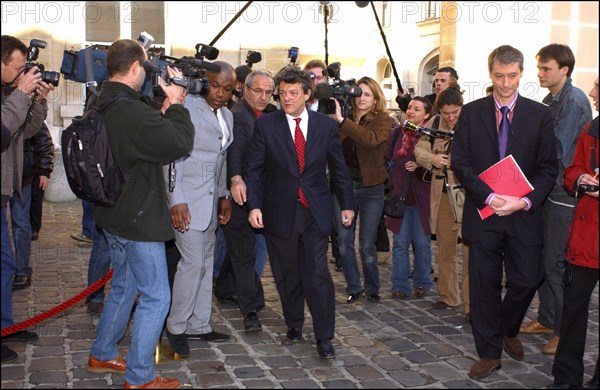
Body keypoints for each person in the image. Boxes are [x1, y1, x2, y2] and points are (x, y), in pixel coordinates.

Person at [87, 39, 194, 389]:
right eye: (146, 67)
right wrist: (177, 103)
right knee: (156, 296)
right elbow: (178, 143)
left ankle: (103, 352)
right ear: (135, 67)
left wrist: (162, 107)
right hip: (137, 218)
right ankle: (140, 375)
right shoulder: (129, 110)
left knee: (124, 284)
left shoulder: (105, 100)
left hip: (112, 214)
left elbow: (140, 137)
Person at [452, 45, 558, 380]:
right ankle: (488, 353)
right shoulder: (471, 113)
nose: (506, 83)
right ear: (491, 73)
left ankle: (507, 326)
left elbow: (547, 169)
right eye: (499, 75)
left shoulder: (539, 115)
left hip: (524, 215)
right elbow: (461, 163)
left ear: (521, 74)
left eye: (512, 76)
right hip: (484, 212)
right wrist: (490, 196)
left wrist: (524, 201)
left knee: (527, 279)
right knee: (483, 286)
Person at [245, 66, 355, 359]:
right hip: (279, 211)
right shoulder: (267, 125)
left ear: (307, 94)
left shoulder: (325, 126)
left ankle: (324, 336)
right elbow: (254, 169)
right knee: (286, 273)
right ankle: (294, 322)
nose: (287, 99)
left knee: (317, 274)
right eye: (282, 94)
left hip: (314, 211)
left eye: (293, 93)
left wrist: (347, 204)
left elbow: (340, 169)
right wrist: (254, 205)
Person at [519, 44, 592, 355]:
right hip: (548, 192)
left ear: (564, 69)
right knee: (545, 259)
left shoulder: (574, 103)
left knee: (557, 265)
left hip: (563, 195)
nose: (540, 73)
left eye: (546, 68)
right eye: (539, 67)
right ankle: (547, 319)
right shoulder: (551, 99)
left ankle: (564, 332)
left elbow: (557, 152)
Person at [164, 61, 236, 358]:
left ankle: (199, 324)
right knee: (192, 264)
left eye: (227, 88)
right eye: (215, 85)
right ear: (203, 81)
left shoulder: (228, 115)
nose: (220, 93)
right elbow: (170, 157)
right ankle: (176, 327)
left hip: (209, 202)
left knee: (206, 262)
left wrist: (224, 195)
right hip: (186, 201)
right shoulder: (185, 107)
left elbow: (221, 159)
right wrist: (175, 199)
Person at [1, 34, 53, 364]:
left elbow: (27, 130)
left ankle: (5, 327)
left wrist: (38, 99)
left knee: (6, 263)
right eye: (18, 68)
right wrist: (20, 94)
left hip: (7, 188)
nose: (22, 74)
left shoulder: (11, 92)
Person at [214, 70, 274, 332]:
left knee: (237, 250)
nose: (262, 97)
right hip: (237, 197)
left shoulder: (267, 114)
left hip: (257, 196)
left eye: (268, 92)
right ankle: (251, 310)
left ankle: (225, 288)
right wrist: (235, 180)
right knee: (244, 255)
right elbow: (234, 154)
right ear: (245, 89)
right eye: (257, 90)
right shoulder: (239, 116)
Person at [549, 76, 599, 390]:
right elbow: (572, 169)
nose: (593, 92)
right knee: (573, 312)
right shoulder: (591, 129)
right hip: (585, 238)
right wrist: (581, 180)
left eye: (599, 87)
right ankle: (566, 380)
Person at [327, 76, 392, 303]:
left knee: (366, 244)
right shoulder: (344, 118)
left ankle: (372, 287)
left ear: (375, 99)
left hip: (372, 189)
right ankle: (354, 286)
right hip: (344, 189)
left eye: (367, 94)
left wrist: (342, 121)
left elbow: (370, 139)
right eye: (358, 94)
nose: (362, 99)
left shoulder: (383, 120)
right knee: (344, 241)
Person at [414, 86, 470, 321]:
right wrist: (433, 159)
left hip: (468, 196)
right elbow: (419, 149)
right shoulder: (434, 123)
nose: (450, 117)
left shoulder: (472, 122)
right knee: (446, 247)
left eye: (454, 112)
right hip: (444, 194)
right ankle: (449, 296)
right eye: (446, 113)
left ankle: (471, 304)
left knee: (471, 251)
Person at [385, 97, 434, 300]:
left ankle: (422, 282)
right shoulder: (397, 132)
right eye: (409, 108)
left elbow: (437, 163)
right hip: (400, 198)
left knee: (422, 244)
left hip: (423, 199)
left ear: (427, 114)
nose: (411, 111)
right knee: (400, 243)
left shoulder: (431, 136)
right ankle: (400, 285)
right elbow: (387, 157)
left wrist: (420, 165)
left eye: (417, 109)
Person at [11, 121, 54, 290]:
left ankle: (22, 271)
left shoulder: (26, 107)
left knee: (21, 224)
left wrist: (44, 170)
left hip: (22, 176)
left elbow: (44, 140)